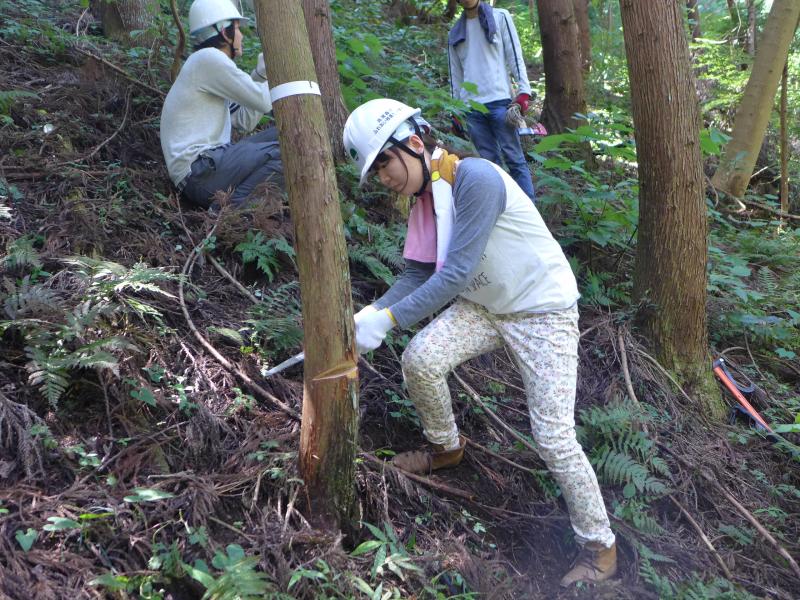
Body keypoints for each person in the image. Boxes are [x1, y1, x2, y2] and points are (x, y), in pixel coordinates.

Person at [343, 98, 617, 586]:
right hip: (488, 307)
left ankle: (600, 547)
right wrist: (375, 311)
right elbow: (417, 272)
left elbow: (457, 273)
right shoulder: (425, 199)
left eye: (383, 163)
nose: (382, 177)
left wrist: (387, 319)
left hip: (542, 312)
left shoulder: (476, 179)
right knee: (421, 358)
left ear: (412, 143)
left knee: (553, 437)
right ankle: (445, 448)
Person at [159, 0, 283, 209]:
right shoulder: (209, 59)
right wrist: (279, 65)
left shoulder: (204, 63)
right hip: (200, 172)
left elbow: (244, 120)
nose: (241, 35)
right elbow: (263, 100)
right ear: (224, 32)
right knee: (288, 153)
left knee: (285, 136)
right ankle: (229, 211)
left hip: (208, 167)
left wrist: (261, 74)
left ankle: (230, 206)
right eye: (236, 28)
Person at [447, 0, 536, 200]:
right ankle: (505, 212)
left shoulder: (500, 17)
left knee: (515, 160)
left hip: (500, 102)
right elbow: (455, 76)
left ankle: (530, 215)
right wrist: (456, 111)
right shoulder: (454, 33)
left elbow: (515, 55)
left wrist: (524, 92)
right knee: (490, 165)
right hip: (471, 109)